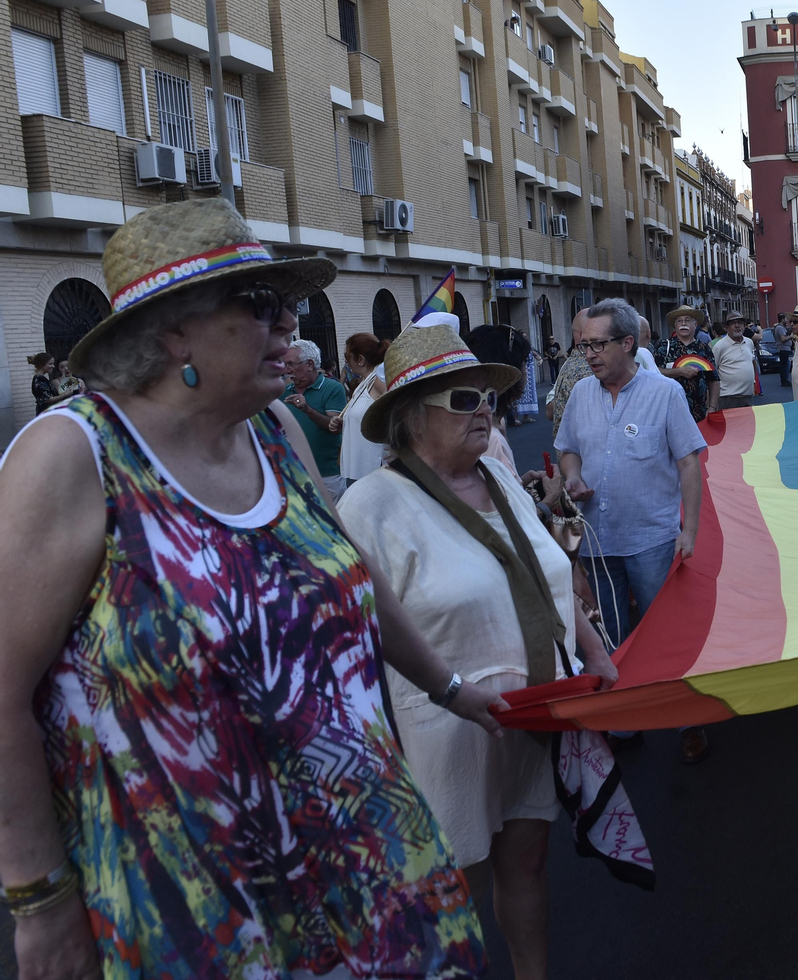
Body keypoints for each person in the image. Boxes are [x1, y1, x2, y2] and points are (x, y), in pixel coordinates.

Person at [0, 199, 500, 979]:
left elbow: (350, 575)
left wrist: (451, 687)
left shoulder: (275, 432)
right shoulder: (73, 455)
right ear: (176, 331)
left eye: (289, 303)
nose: (291, 324)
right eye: (263, 303)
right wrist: (40, 902)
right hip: (199, 895)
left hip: (362, 853)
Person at [340, 313, 618, 980]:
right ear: (412, 416)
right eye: (464, 399)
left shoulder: (499, 479)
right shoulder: (370, 507)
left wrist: (595, 651)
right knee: (448, 888)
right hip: (446, 733)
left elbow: (548, 570)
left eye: (488, 397)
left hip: (535, 715)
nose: (486, 411)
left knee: (528, 864)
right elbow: (354, 637)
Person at [556, 299, 711, 763]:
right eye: (584, 346)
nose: (589, 354)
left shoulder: (665, 393)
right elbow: (567, 448)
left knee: (666, 633)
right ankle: (625, 721)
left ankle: (688, 720)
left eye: (598, 345)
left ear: (628, 343)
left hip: (652, 540)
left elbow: (689, 463)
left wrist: (690, 530)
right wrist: (572, 477)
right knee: (613, 637)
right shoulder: (581, 394)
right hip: (598, 541)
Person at [280, 337, 349, 497]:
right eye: (285, 365)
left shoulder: (333, 388)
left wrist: (307, 410)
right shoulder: (284, 392)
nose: (287, 370)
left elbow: (334, 428)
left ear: (310, 364)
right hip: (293, 473)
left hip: (327, 474)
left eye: (290, 364)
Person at [464, 324, 530, 471]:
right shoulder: (491, 439)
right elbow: (497, 486)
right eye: (524, 364)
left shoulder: (492, 424)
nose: (526, 372)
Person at [328, 331, 389, 486]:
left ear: (360, 359)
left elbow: (399, 411)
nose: (345, 362)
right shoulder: (364, 383)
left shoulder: (377, 381)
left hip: (372, 471)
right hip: (358, 470)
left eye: (347, 357)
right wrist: (344, 422)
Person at [655, 304, 721, 422]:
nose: (683, 323)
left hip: (699, 413)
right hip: (669, 412)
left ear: (695, 324)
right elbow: (654, 372)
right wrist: (679, 371)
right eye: (679, 321)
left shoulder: (704, 348)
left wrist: (712, 407)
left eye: (687, 320)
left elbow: (714, 379)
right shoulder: (664, 346)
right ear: (675, 325)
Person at [711, 312, 759, 409]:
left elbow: (752, 362)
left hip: (748, 396)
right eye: (733, 323)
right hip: (728, 398)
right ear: (726, 327)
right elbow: (712, 372)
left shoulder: (749, 342)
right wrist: (712, 405)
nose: (737, 326)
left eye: (740, 322)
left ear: (744, 325)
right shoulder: (719, 346)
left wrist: (753, 382)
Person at [771, 315, 793, 387]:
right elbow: (783, 339)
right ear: (782, 319)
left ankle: (785, 380)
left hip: (785, 348)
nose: (787, 320)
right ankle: (784, 381)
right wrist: (790, 337)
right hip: (783, 348)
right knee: (784, 365)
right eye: (786, 318)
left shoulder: (782, 327)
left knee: (786, 364)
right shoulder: (780, 328)